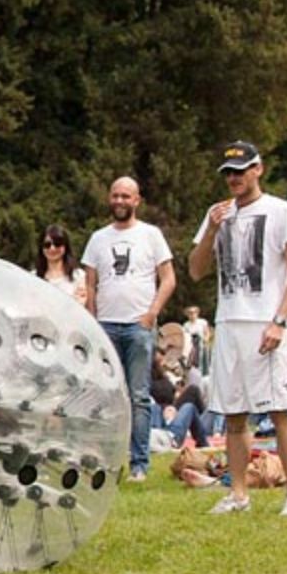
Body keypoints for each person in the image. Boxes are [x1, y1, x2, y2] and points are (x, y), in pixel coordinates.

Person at [188, 141, 287, 515]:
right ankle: (238, 494)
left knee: (279, 408)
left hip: (265, 321)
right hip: (229, 319)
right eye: (228, 173)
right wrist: (211, 229)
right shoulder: (218, 214)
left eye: (240, 171)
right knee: (234, 413)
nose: (234, 179)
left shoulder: (280, 210)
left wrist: (279, 321)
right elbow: (195, 269)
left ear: (258, 169)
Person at [81, 177, 175, 482]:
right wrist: (92, 322)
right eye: (115, 195)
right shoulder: (98, 239)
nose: (120, 201)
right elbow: (91, 284)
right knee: (106, 396)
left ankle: (139, 463)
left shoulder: (150, 235)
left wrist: (152, 314)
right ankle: (107, 461)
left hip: (137, 325)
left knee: (138, 395)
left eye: (126, 196)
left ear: (137, 200)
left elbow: (168, 278)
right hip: (106, 325)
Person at [34, 224, 87, 306]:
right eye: (47, 245)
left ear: (65, 246)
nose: (52, 248)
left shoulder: (79, 276)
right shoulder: (32, 277)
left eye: (57, 244)